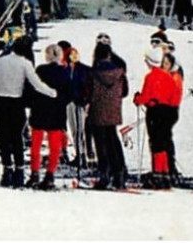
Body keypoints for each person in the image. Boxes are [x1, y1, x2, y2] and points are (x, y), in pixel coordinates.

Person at [0, 34, 54, 187]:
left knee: (3, 137)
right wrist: (52, 93)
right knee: (17, 137)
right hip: (15, 102)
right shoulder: (25, 63)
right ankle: (19, 170)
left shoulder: (0, 62)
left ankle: (7, 169)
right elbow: (37, 84)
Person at [135, 50, 185, 187]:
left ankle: (157, 173)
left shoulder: (151, 77)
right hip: (167, 111)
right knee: (163, 142)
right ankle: (165, 172)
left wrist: (138, 99)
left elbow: (145, 96)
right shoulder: (169, 77)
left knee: (156, 143)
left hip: (155, 112)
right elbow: (174, 96)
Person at [30, 43, 73, 190]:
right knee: (55, 146)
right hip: (57, 111)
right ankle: (50, 174)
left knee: (36, 143)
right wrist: (61, 102)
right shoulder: (65, 72)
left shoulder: (40, 70)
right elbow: (69, 93)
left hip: (40, 110)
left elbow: (33, 88)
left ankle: (34, 172)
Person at [88, 38, 129, 190]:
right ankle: (119, 172)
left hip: (97, 110)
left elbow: (87, 92)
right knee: (113, 140)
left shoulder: (93, 73)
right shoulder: (119, 72)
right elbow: (125, 92)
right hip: (113, 111)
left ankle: (104, 173)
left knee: (100, 144)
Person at [59, 39, 92, 170]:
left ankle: (82, 155)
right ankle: (81, 154)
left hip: (76, 101)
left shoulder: (73, 68)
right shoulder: (72, 67)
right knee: (77, 130)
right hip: (74, 100)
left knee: (78, 130)